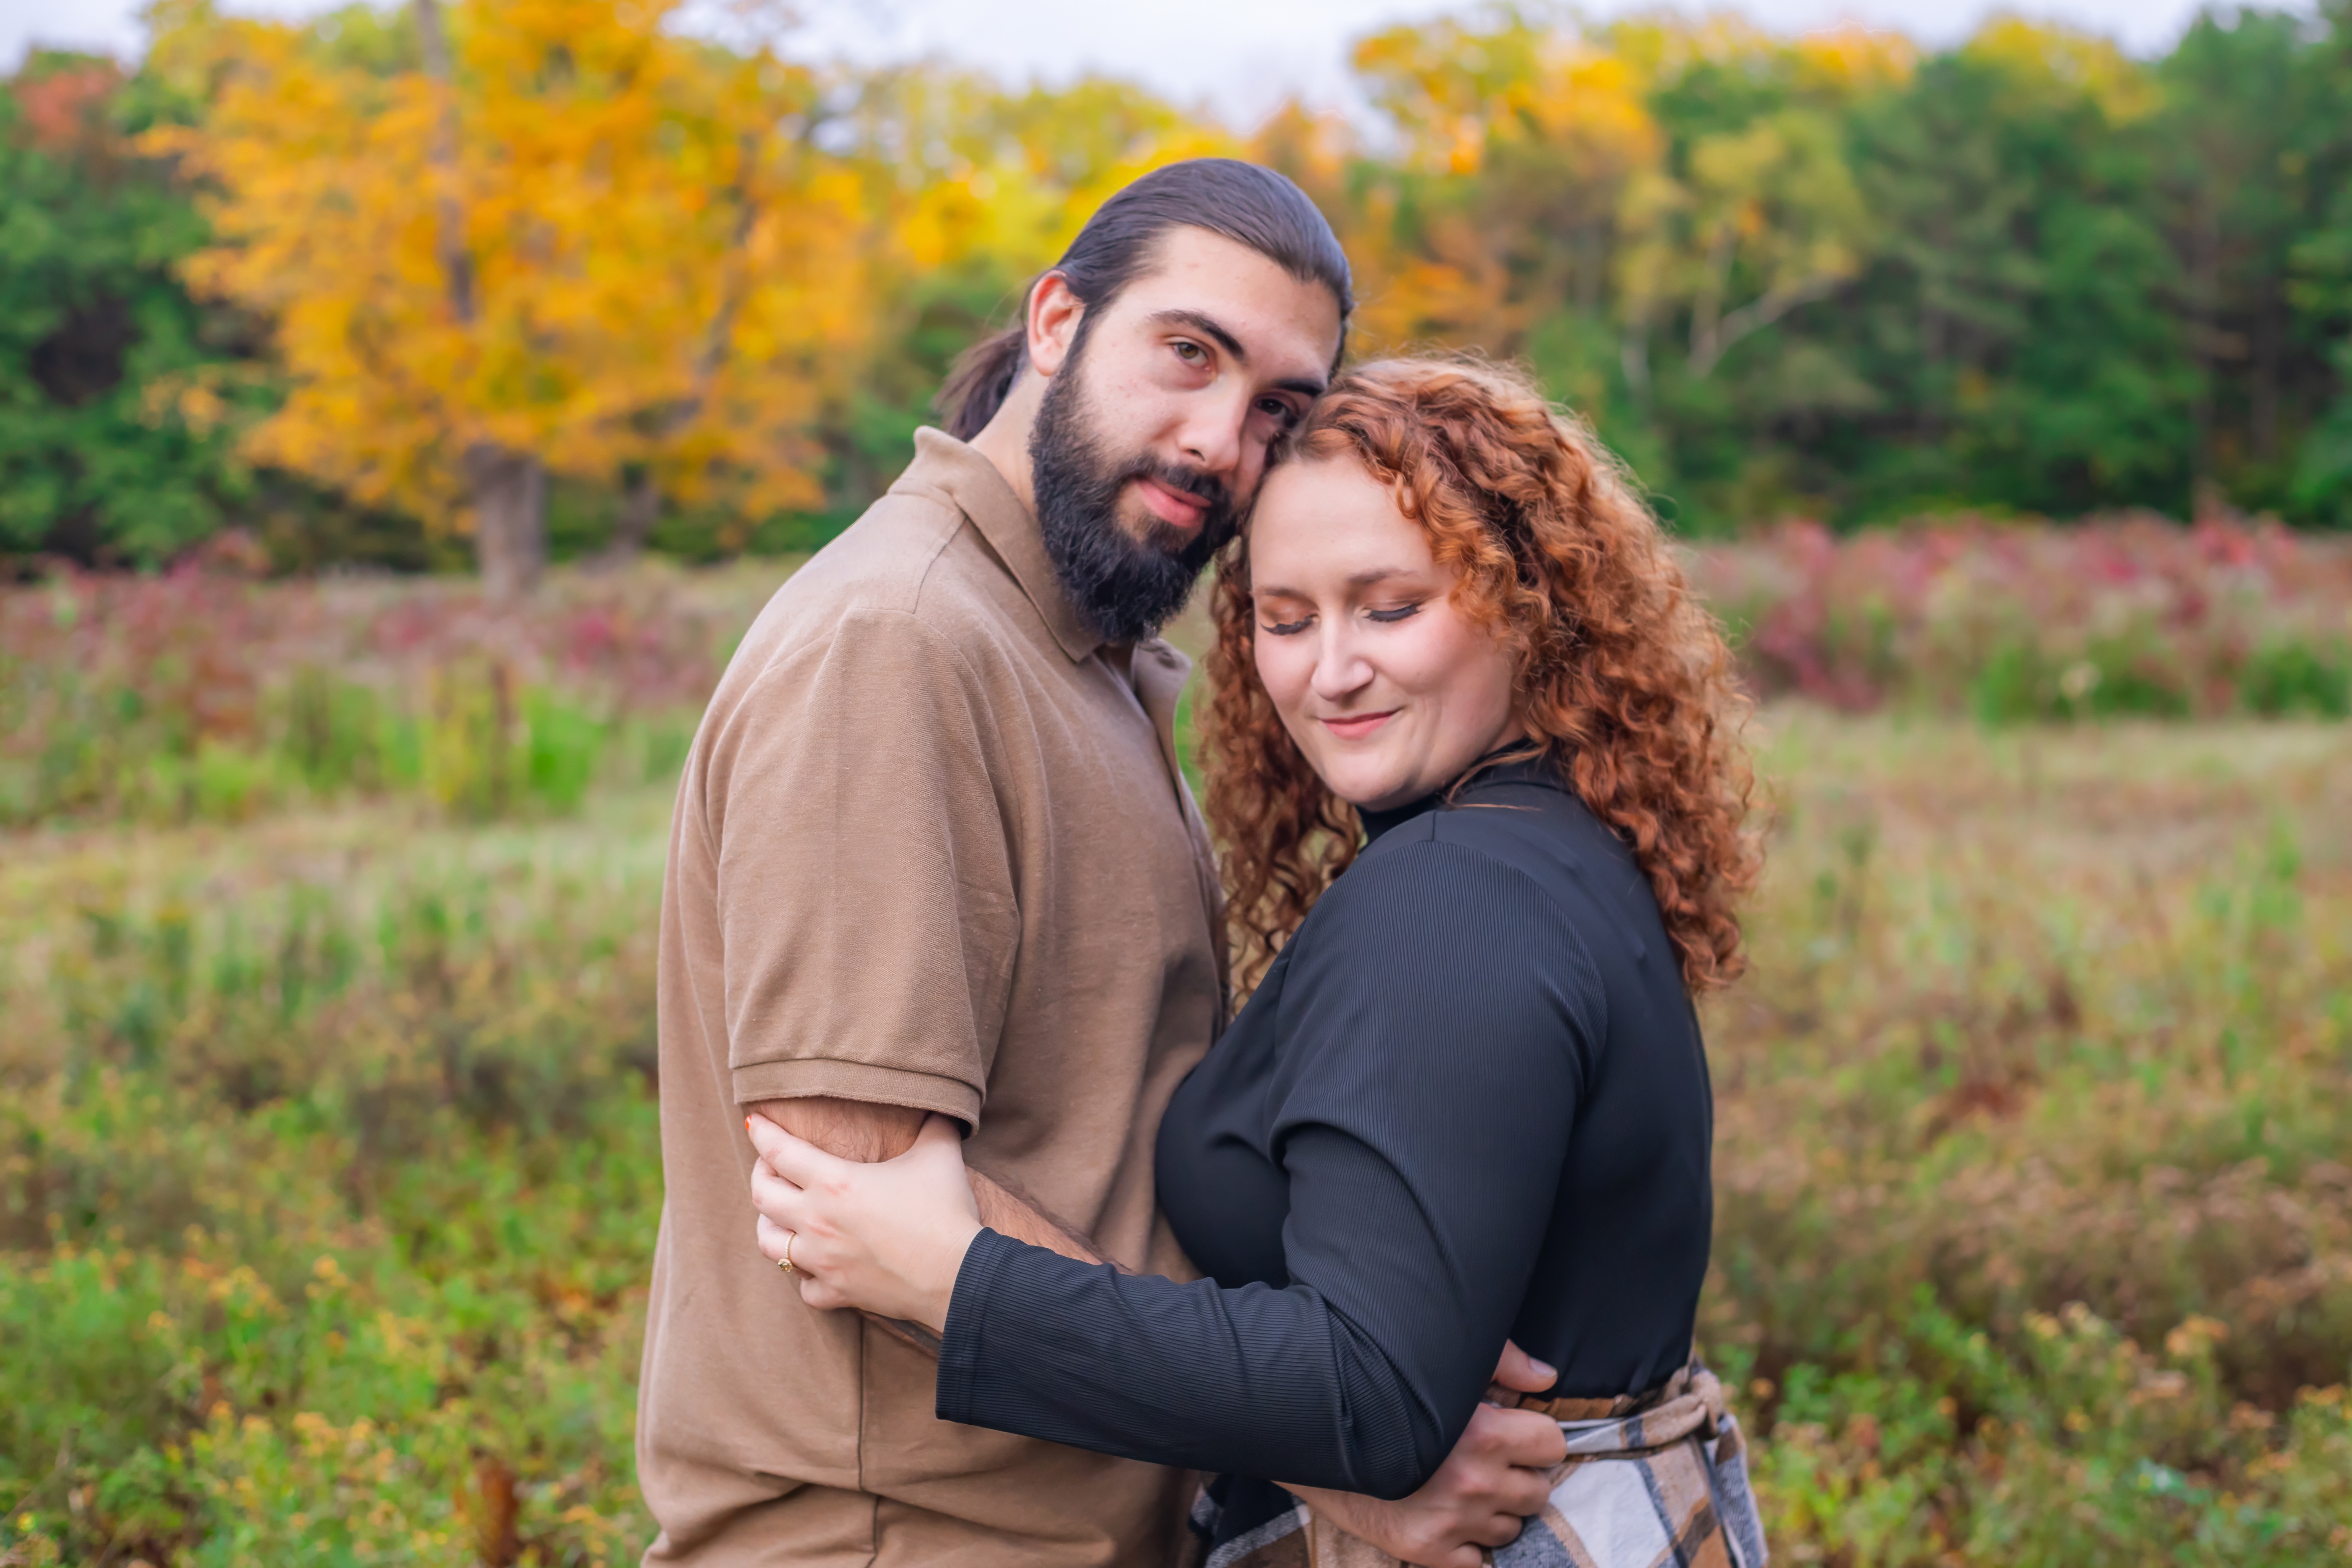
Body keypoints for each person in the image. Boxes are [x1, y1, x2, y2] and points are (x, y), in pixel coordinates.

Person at [638, 163, 1572, 1566]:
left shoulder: (1080, 650)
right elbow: (859, 1199)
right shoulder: (897, 642)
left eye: (1279, 407)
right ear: (1057, 321)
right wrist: (1337, 1450)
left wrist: (1385, 1332)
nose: (1218, 441)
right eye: (1188, 352)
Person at [743, 359, 1772, 1568]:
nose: (1330, 672)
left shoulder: (1457, 887)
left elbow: (1370, 1403)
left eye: (1391, 608)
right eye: (1286, 620)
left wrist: (953, 1281)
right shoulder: (1551, 843)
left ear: (1529, 604)